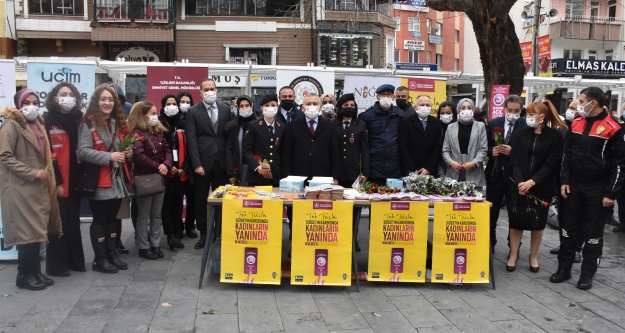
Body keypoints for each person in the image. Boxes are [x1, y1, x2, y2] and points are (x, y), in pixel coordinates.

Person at [551, 87, 625, 290]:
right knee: (568, 230)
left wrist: (611, 193)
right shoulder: (575, 123)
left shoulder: (614, 128)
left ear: (594, 103)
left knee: (593, 234)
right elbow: (566, 154)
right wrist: (564, 180)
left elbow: (620, 164)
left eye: (582, 100)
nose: (579, 104)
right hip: (573, 186)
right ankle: (563, 269)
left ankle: (587, 274)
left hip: (598, 188)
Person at [0, 89, 61, 290]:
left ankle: (35, 272)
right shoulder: (11, 125)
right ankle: (24, 274)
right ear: (18, 104)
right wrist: (31, 172)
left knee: (36, 231)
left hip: (38, 186)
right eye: (27, 102)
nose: (32, 106)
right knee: (27, 233)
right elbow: (5, 156)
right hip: (21, 187)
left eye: (36, 102)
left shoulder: (39, 123)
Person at [506, 100, 565, 273]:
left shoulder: (555, 136)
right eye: (528, 114)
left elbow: (551, 163)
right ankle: (513, 254)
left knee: (537, 222)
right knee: (516, 220)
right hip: (518, 185)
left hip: (541, 186)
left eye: (531, 114)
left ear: (541, 117)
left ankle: (533, 256)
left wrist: (532, 182)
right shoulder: (521, 133)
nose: (527, 117)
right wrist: (520, 182)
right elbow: (514, 158)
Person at [77, 84, 131, 274]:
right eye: (103, 99)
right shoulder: (88, 124)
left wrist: (127, 152)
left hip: (116, 181)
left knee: (112, 220)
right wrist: (109, 157)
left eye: (110, 99)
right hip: (99, 181)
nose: (107, 103)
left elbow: (120, 149)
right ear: (96, 102)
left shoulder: (116, 123)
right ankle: (100, 259)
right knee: (100, 220)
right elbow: (82, 152)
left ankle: (111, 254)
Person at [283, 94, 340, 240]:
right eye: (309, 103)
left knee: (320, 210)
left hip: (322, 176)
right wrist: (288, 177)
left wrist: (335, 177)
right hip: (298, 177)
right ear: (302, 108)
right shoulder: (293, 126)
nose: (312, 106)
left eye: (315, 103)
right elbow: (287, 153)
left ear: (320, 108)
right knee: (297, 211)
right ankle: (295, 238)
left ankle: (318, 239)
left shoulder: (329, 126)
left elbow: (334, 152)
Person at [43, 82, 86, 276]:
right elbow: (47, 154)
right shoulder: (47, 121)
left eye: (70, 94)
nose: (67, 97)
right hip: (58, 180)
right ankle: (57, 266)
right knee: (58, 223)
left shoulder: (79, 121)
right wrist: (58, 181)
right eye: (63, 94)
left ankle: (75, 261)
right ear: (54, 98)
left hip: (76, 179)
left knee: (73, 222)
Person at [186, 79, 232, 249]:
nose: (210, 91)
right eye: (206, 89)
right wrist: (196, 164)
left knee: (221, 199)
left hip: (221, 162)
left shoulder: (226, 110)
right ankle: (204, 233)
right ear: (200, 92)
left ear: (217, 90)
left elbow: (229, 137)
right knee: (200, 200)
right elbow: (191, 139)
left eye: (212, 89)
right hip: (202, 164)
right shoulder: (193, 111)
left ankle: (219, 233)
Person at [128, 101, 173, 260]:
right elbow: (139, 157)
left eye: (156, 113)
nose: (156, 117)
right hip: (145, 179)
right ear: (143, 115)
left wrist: (166, 165)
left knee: (157, 214)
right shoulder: (135, 134)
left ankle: (155, 244)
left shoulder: (158, 132)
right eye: (153, 114)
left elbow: (168, 150)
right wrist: (158, 166)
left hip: (160, 178)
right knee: (144, 214)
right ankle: (143, 246)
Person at [484, 94, 526, 251]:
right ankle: (490, 241)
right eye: (510, 110)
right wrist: (491, 151)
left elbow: (528, 151)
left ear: (521, 110)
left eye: (516, 110)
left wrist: (513, 152)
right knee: (492, 211)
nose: (513, 113)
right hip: (495, 174)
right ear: (504, 109)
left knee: (513, 212)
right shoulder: (494, 123)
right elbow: (485, 145)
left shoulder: (525, 125)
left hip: (515, 176)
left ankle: (513, 244)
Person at [550, 99, 584, 262]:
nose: (569, 110)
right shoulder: (562, 129)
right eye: (569, 107)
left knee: (577, 216)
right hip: (561, 179)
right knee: (562, 215)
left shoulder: (583, 129)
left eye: (573, 108)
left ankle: (577, 247)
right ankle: (564, 244)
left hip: (577, 180)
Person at [335, 93, 369, 252]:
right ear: (340, 108)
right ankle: (339, 238)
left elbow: (365, 151)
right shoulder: (332, 124)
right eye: (345, 106)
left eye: (352, 106)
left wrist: (365, 173)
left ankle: (353, 238)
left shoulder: (361, 124)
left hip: (354, 174)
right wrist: (332, 175)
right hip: (336, 175)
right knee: (338, 209)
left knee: (355, 209)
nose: (349, 108)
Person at [358, 84, 405, 185]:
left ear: (393, 97)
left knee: (395, 198)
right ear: (377, 97)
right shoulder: (367, 116)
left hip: (395, 167)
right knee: (375, 198)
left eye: (389, 95)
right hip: (375, 167)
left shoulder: (400, 115)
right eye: (383, 95)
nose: (386, 97)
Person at [159, 94, 186, 251]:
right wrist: (169, 165)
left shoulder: (183, 123)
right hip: (166, 170)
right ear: (163, 105)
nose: (171, 106)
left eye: (174, 103)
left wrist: (184, 167)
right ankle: (170, 235)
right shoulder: (160, 123)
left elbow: (189, 146)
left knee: (177, 204)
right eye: (168, 103)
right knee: (166, 205)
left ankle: (177, 231)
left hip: (180, 170)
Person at [441, 98, 488, 188]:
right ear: (458, 110)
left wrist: (474, 163)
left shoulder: (480, 126)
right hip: (454, 171)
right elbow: (445, 150)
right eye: (463, 108)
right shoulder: (450, 127)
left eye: (469, 108)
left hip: (474, 171)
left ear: (473, 110)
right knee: (453, 200)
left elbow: (483, 149)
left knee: (473, 200)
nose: (466, 110)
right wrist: (451, 162)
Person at [242, 94, 286, 186]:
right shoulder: (253, 125)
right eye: (267, 105)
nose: (270, 108)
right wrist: (257, 167)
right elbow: (246, 150)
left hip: (276, 175)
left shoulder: (281, 127)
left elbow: (283, 152)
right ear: (261, 107)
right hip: (257, 175)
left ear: (277, 107)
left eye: (273, 105)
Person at [398, 95, 444, 176]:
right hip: (411, 170)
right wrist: (411, 168)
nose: (425, 107)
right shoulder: (406, 122)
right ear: (415, 107)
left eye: (427, 105)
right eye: (422, 105)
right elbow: (403, 146)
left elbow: (438, 146)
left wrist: (428, 168)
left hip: (430, 170)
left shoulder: (437, 123)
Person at [176, 90, 197, 239]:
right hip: (176, 168)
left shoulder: (194, 119)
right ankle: (178, 227)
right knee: (177, 200)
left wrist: (188, 165)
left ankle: (190, 226)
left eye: (188, 102)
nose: (185, 105)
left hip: (192, 165)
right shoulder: (172, 120)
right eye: (182, 102)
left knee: (193, 200)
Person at [226, 95, 258, 185]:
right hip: (239, 169)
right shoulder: (233, 126)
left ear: (252, 106)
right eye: (241, 106)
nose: (244, 108)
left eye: (247, 106)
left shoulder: (259, 124)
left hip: (256, 169)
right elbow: (229, 151)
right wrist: (230, 174)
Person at [437, 101, 457, 177]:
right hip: (440, 170)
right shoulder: (436, 128)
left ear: (454, 114)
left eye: (448, 113)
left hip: (456, 168)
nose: (445, 115)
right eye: (442, 113)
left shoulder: (458, 128)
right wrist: (440, 172)